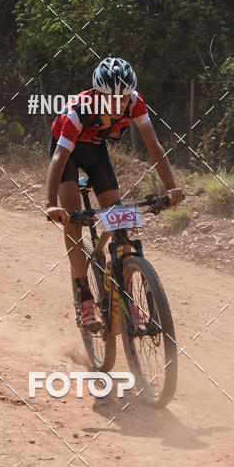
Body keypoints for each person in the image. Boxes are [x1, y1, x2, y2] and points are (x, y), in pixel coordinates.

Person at [45, 57, 184, 329]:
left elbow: (153, 146)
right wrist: (50, 204)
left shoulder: (135, 102)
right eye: (113, 98)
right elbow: (59, 157)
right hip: (66, 155)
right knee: (73, 220)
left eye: (125, 97)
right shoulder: (78, 111)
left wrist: (171, 187)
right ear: (98, 95)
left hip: (96, 152)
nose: (120, 103)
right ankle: (85, 298)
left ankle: (127, 298)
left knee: (120, 219)